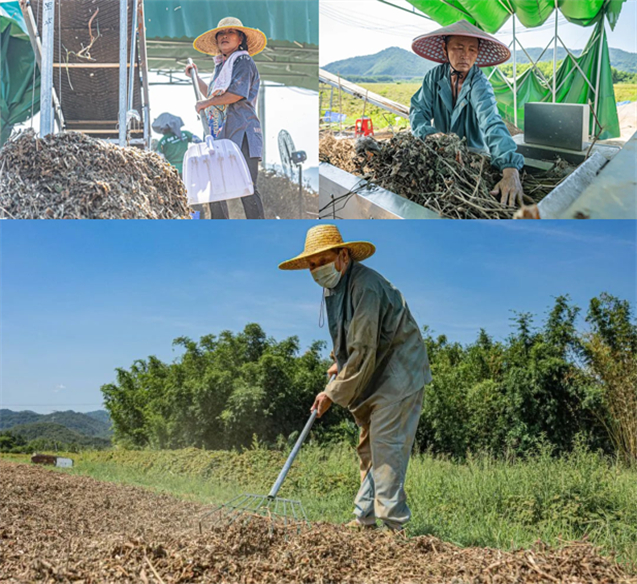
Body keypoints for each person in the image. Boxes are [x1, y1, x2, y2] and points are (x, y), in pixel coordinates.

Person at [279, 224, 432, 531]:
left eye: (322, 261)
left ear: (343, 256)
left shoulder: (365, 286)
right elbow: (348, 341)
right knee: (367, 449)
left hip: (398, 371)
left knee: (386, 447)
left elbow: (363, 347)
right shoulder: (335, 289)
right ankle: (365, 519)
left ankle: (394, 527)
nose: (316, 269)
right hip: (374, 371)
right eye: (311, 265)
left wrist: (332, 393)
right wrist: (338, 362)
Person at [410, 20, 525, 207]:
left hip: (474, 158)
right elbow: (418, 111)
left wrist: (510, 167)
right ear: (445, 47)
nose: (466, 56)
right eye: (459, 47)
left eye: (472, 50)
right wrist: (429, 133)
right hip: (440, 154)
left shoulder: (479, 84)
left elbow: (491, 122)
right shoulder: (434, 77)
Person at [185, 17, 267, 219]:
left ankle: (256, 228)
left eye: (230, 33)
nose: (224, 37)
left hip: (243, 132)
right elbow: (213, 96)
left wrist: (206, 104)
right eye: (221, 34)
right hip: (222, 134)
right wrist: (195, 78)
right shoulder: (221, 67)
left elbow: (237, 94)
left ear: (240, 39)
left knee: (247, 187)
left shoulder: (243, 61)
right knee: (216, 189)